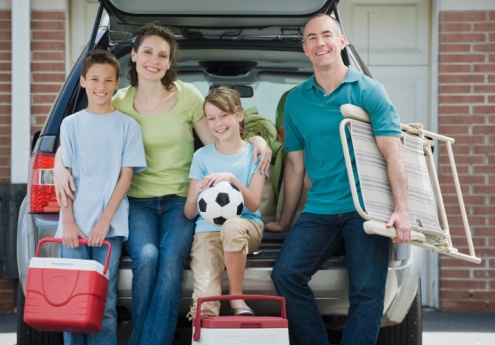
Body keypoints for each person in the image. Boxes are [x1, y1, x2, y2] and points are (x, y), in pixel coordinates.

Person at [54, 23, 271, 345]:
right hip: (136, 200)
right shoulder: (121, 99)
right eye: (147, 52)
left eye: (162, 55)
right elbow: (84, 128)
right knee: (147, 256)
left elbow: (220, 140)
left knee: (170, 263)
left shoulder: (188, 96)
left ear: (170, 62)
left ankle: (150, 341)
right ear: (134, 56)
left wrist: (257, 139)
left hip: (181, 200)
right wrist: (59, 163)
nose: (154, 60)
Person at [265, 14, 412, 345]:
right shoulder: (297, 101)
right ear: (305, 48)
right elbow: (295, 166)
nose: (321, 43)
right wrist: (285, 220)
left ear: (342, 41)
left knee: (366, 292)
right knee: (286, 274)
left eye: (327, 35)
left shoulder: (370, 91)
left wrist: (401, 210)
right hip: (320, 209)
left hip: (368, 211)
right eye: (312, 38)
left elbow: (394, 154)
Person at [55, 49, 146, 345]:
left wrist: (105, 221)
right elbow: (64, 178)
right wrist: (67, 221)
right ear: (82, 81)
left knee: (103, 303)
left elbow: (126, 177)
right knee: (73, 301)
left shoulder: (128, 126)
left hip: (109, 230)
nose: (101, 86)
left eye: (108, 80)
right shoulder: (70, 124)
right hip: (73, 229)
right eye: (94, 79)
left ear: (117, 83)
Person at [184, 87, 266, 319]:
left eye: (224, 115)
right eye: (211, 118)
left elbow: (254, 204)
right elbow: (189, 213)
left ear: (239, 115)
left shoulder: (255, 154)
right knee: (205, 301)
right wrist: (196, 194)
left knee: (231, 226)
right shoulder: (202, 156)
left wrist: (232, 180)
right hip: (207, 233)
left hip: (246, 227)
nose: (218, 123)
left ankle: (236, 297)